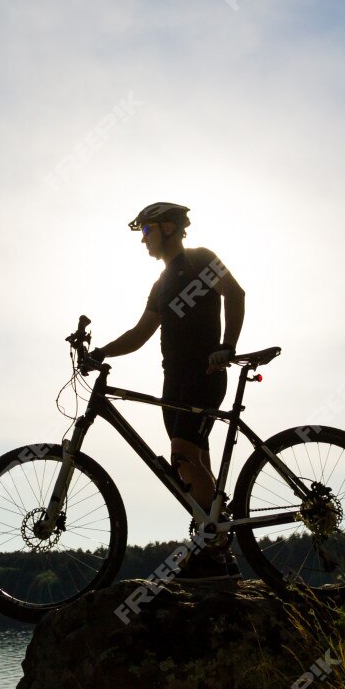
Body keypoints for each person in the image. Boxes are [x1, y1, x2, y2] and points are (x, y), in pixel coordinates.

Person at [91, 201, 245, 579]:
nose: (143, 240)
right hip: (172, 381)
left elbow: (235, 293)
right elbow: (141, 333)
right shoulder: (159, 285)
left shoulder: (200, 259)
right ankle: (216, 548)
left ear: (169, 228)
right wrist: (101, 351)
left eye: (147, 230)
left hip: (202, 373)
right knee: (193, 463)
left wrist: (227, 345)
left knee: (182, 457)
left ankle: (217, 551)